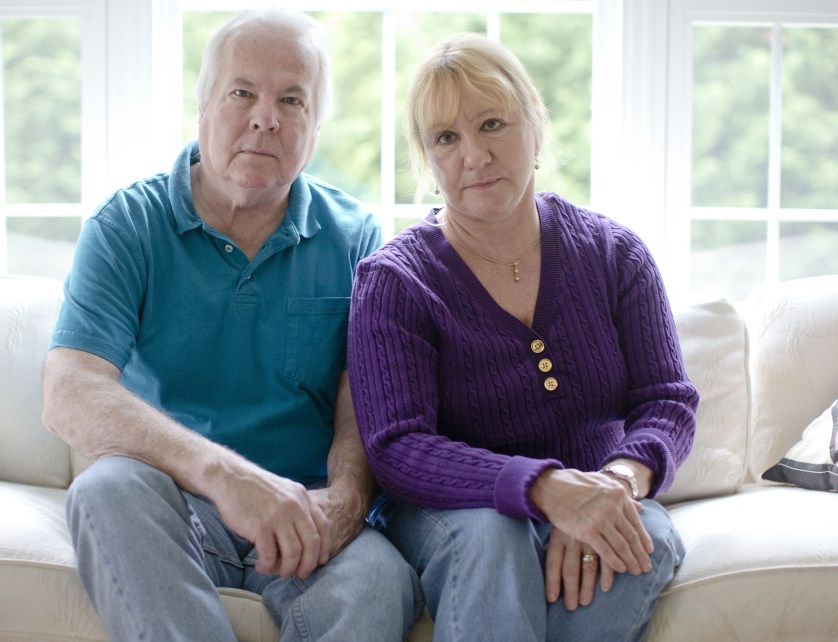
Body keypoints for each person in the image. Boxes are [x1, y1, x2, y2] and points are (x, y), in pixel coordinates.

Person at [41, 9, 418, 641]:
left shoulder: (358, 238)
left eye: (291, 99)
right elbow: (69, 392)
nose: (265, 116)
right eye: (243, 92)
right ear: (203, 106)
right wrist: (226, 476)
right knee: (106, 489)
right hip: (178, 502)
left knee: (381, 581)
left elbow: (366, 399)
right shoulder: (127, 225)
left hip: (307, 514)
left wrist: (347, 500)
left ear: (315, 127)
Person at [347, 33, 698, 641]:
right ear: (427, 161)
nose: (474, 156)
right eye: (446, 138)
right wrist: (542, 488)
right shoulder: (395, 281)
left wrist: (612, 484)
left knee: (646, 534)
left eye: (492, 124)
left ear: (535, 124)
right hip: (449, 510)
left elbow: (667, 400)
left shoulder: (616, 255)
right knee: (493, 531)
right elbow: (397, 446)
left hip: (596, 481)